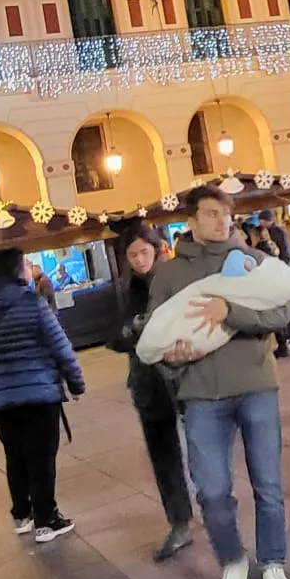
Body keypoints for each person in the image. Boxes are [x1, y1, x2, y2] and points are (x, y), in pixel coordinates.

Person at [150, 186, 290, 579]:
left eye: (226, 213)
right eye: (212, 214)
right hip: (200, 393)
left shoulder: (253, 260)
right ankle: (232, 557)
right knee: (212, 491)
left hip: (255, 383)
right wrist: (173, 359)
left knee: (267, 482)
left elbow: (283, 311)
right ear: (192, 220)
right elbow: (156, 336)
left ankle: (272, 562)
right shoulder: (169, 274)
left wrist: (231, 312)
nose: (223, 221)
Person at [0, 246, 87, 543]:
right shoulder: (33, 303)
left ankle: (22, 514)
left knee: (15, 455)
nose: (30, 267)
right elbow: (60, 345)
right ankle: (46, 520)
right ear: (16, 270)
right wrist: (76, 383)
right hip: (39, 393)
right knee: (40, 457)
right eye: (26, 263)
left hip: (0, 398)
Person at [110, 226, 196, 562]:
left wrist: (146, 330)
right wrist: (134, 330)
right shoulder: (126, 287)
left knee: (203, 448)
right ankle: (179, 523)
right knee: (163, 455)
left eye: (143, 252)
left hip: (183, 378)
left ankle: (218, 515)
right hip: (147, 382)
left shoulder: (174, 279)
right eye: (132, 255)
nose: (138, 260)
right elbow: (114, 335)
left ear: (157, 249)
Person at [255, 211, 290, 355]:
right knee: (287, 305)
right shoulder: (275, 232)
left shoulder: (276, 232)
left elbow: (284, 253)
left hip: (283, 273)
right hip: (282, 272)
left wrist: (282, 269)